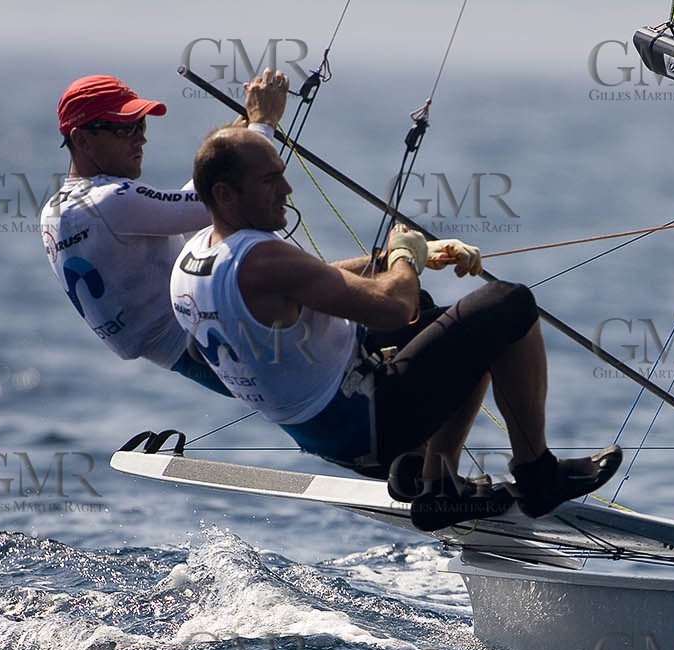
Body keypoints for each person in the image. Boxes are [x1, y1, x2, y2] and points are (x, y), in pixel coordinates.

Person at [169, 126, 622, 531]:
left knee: (452, 322)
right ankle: (537, 477)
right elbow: (393, 311)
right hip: (369, 425)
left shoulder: (195, 260)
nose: (287, 189)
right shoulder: (264, 259)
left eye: (282, 174)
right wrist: (404, 255)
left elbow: (309, 280)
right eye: (270, 181)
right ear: (225, 194)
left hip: (324, 430)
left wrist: (398, 259)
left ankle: (434, 482)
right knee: (509, 304)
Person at [40, 71, 288, 395]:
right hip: (205, 341)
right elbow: (219, 202)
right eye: (124, 129)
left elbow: (186, 205)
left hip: (188, 343)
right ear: (82, 139)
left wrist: (242, 126)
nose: (140, 139)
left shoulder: (59, 207)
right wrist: (263, 123)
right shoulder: (107, 202)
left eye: (141, 126)